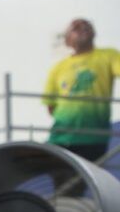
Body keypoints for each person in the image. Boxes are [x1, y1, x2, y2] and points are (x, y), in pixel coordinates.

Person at [44, 19, 120, 163]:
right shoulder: (58, 68)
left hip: (93, 136)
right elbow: (51, 106)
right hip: (61, 137)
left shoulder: (109, 55)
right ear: (67, 39)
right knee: (61, 178)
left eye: (87, 25)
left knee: (85, 179)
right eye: (76, 27)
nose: (83, 27)